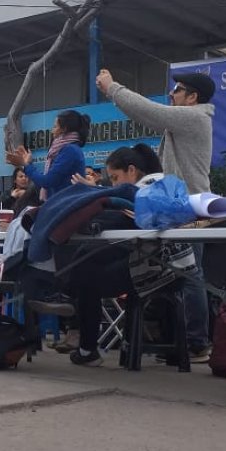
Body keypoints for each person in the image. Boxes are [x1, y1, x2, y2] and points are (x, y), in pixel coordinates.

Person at [97, 69, 215, 360]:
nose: (171, 94)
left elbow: (149, 112)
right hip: (176, 208)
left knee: (189, 274)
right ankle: (176, 339)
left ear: (192, 97)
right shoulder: (185, 123)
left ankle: (196, 342)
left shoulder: (196, 117)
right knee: (173, 275)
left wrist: (113, 88)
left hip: (189, 209)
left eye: (177, 89)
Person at [64, 143, 166, 366]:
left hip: (155, 268)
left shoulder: (149, 188)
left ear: (132, 170)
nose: (114, 184)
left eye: (115, 177)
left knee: (85, 276)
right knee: (86, 263)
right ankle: (70, 299)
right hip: (147, 262)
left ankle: (85, 344)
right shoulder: (150, 187)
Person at [5, 110, 91, 200]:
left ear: (64, 129)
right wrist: (28, 164)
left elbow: (47, 181)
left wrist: (25, 165)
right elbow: (49, 178)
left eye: (55, 126)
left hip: (66, 207)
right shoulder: (68, 149)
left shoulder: (70, 150)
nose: (52, 130)